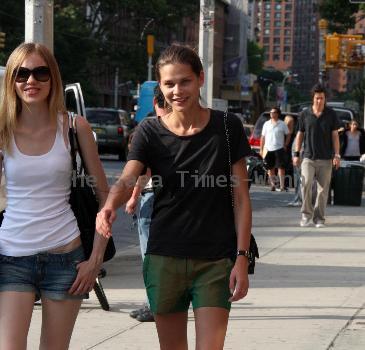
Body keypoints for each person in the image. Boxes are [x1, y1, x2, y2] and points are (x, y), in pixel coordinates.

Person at [97, 44, 252, 350]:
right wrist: (109, 206)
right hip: (164, 257)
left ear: (201, 79)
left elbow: (242, 198)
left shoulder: (226, 126)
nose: (177, 90)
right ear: (161, 87)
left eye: (185, 81)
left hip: (215, 260)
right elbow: (129, 176)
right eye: (169, 84)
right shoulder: (149, 131)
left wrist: (242, 258)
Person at [0, 42, 110, 349]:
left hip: (66, 258)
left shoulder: (75, 127)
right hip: (11, 256)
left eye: (40, 73)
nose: (30, 81)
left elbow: (106, 199)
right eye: (22, 74)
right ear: (12, 80)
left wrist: (95, 259)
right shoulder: (2, 130)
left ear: (53, 78)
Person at [126, 85, 169, 323]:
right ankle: (156, 301)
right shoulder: (180, 129)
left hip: (151, 197)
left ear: (154, 104)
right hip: (172, 199)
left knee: (149, 255)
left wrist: (133, 197)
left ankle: (154, 304)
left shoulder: (151, 129)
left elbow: (144, 171)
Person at [293, 83, 341, 228]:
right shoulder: (304, 114)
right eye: (317, 98)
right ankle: (306, 216)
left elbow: (335, 136)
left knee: (323, 190)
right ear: (313, 98)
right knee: (305, 184)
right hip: (308, 157)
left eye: (322, 98)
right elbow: (300, 135)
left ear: (325, 99)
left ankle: (319, 218)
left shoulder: (331, 114)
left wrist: (337, 155)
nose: (319, 101)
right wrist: (296, 153)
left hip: (326, 158)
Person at [260, 106, 290, 191]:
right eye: (271, 112)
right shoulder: (266, 124)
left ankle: (282, 185)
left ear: (277, 114)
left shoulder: (282, 124)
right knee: (270, 168)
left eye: (273, 112)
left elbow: (288, 134)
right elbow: (262, 137)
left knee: (281, 168)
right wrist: (262, 149)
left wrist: (286, 144)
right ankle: (273, 185)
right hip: (268, 148)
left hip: (279, 148)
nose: (271, 114)